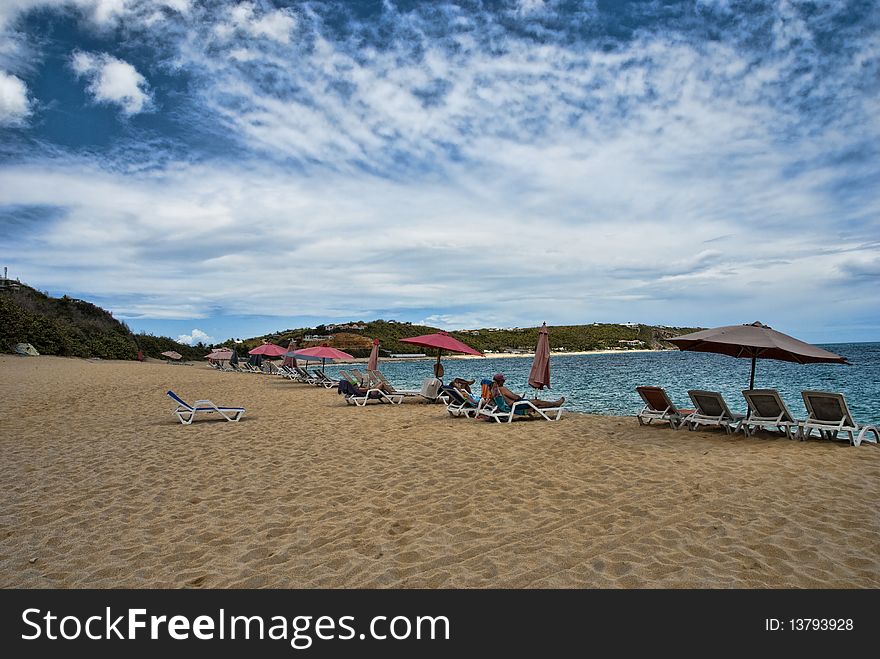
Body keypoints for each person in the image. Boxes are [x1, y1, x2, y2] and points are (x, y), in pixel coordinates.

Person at [490, 373, 564, 409]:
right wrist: (519, 397)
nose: (504, 382)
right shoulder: (502, 389)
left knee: (536, 403)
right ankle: (556, 404)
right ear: (500, 381)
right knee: (537, 401)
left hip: (508, 405)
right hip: (515, 405)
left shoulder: (494, 389)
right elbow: (515, 398)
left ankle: (549, 405)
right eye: (503, 380)